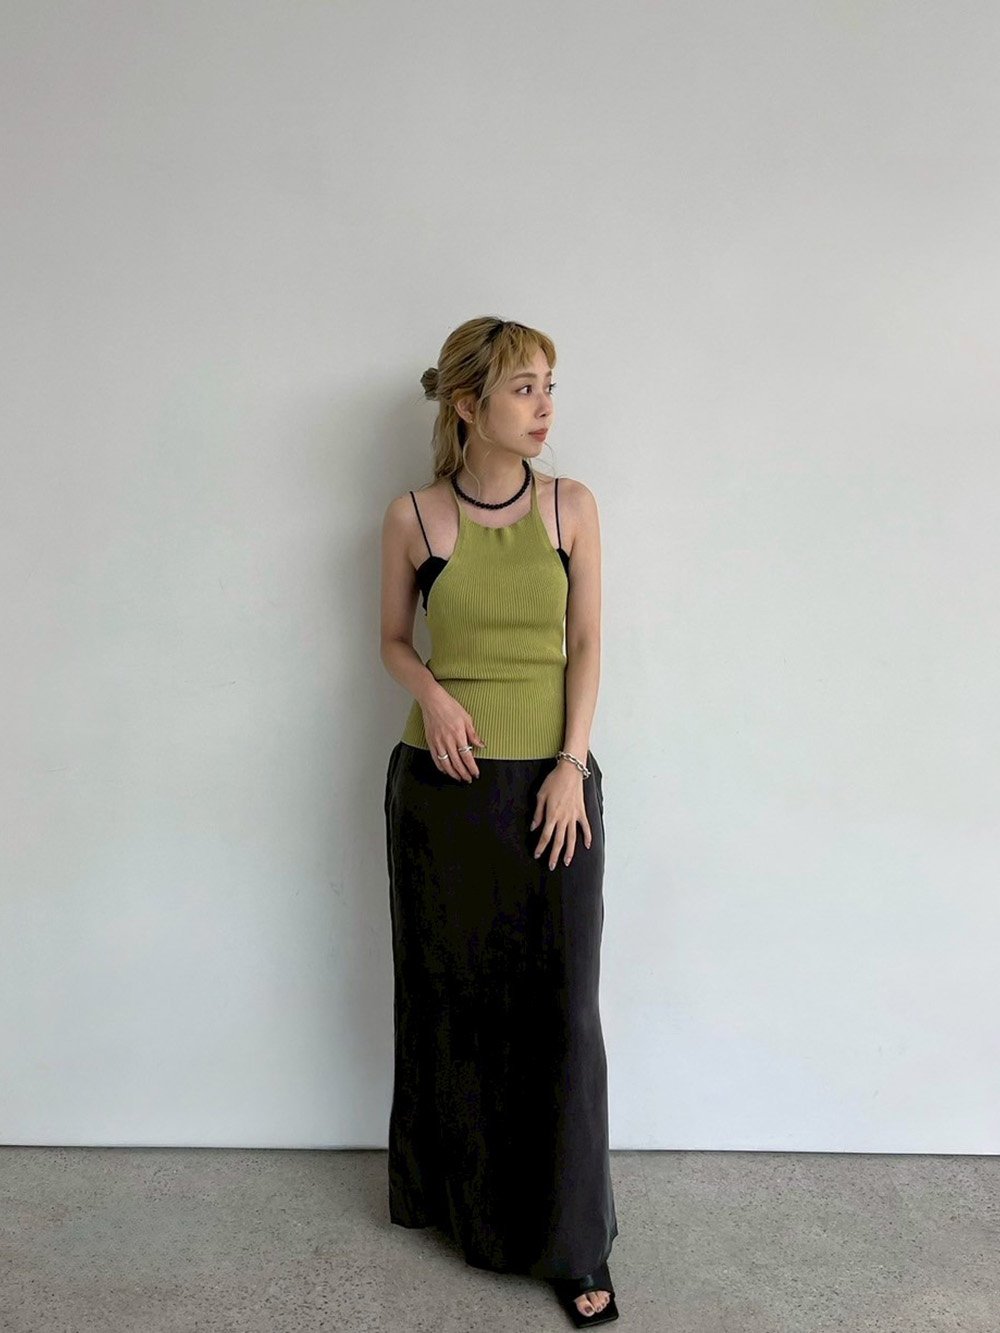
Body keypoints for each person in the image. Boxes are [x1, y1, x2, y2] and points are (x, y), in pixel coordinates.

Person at [380, 316, 619, 1326]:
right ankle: (465, 1208)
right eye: (525, 388)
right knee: (454, 1004)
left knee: (561, 1015)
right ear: (468, 405)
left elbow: (588, 644)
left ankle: (574, 1241)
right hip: (441, 793)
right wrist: (433, 697)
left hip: (551, 790)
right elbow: (393, 640)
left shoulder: (571, 506)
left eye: (549, 385)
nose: (545, 406)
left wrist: (571, 765)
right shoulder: (414, 517)